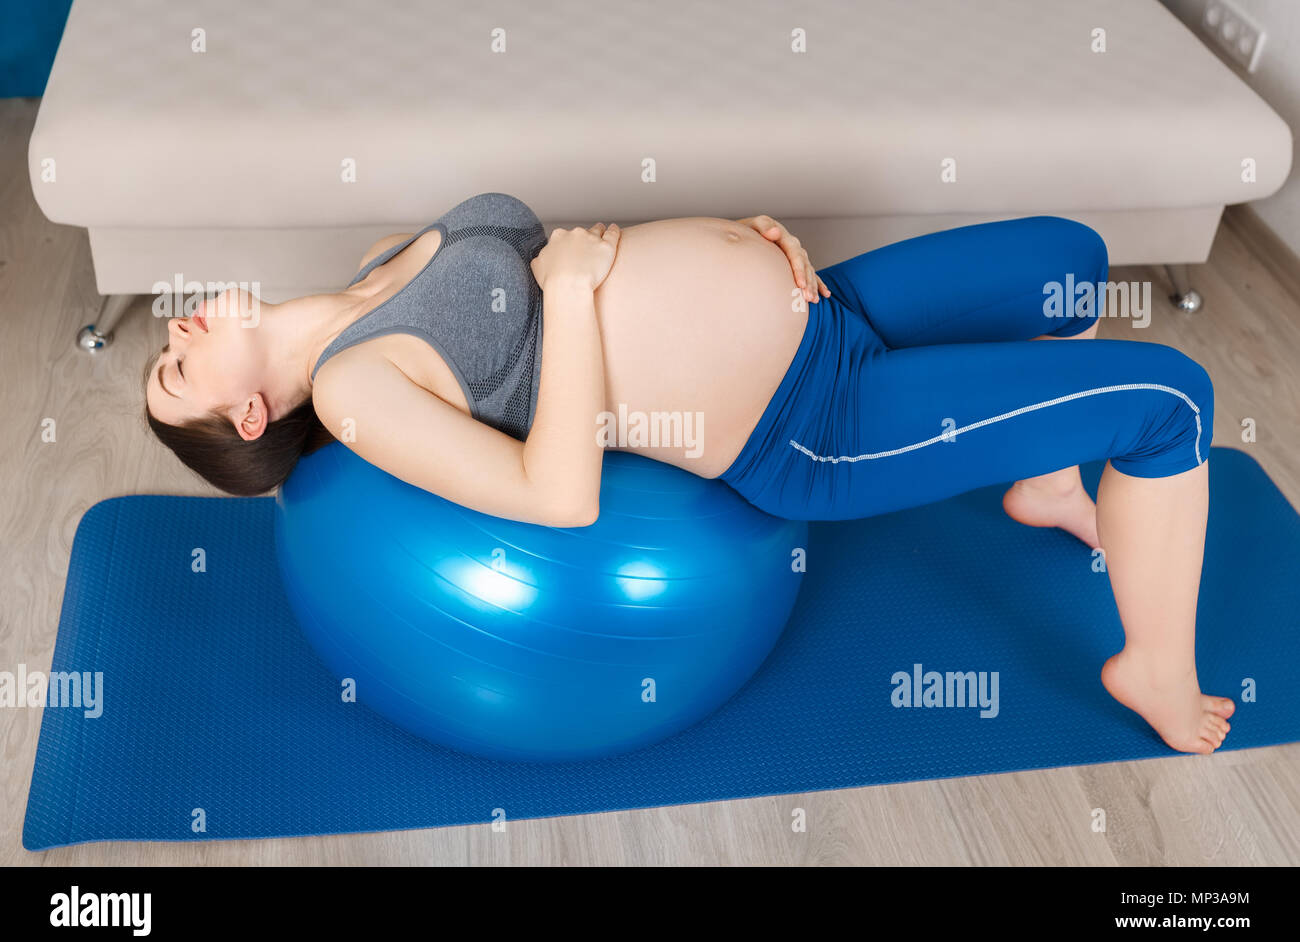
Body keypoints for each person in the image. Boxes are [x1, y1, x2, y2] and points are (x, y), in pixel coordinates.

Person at [145, 192, 1233, 754]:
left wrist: (733, 234)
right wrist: (567, 294)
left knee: (1072, 262)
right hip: (810, 417)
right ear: (247, 413)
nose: (178, 325)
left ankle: (1044, 481)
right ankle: (1153, 671)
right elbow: (554, 493)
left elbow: (601, 269)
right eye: (176, 364)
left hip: (823, 305)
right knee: (1169, 401)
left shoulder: (369, 273)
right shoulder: (351, 391)